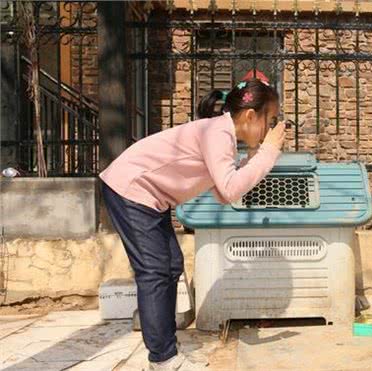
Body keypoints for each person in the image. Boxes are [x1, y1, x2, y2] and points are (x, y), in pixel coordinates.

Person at [99, 78, 286, 370]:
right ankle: (163, 359)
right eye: (270, 120)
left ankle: (165, 352)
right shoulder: (217, 133)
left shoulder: (221, 135)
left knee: (170, 266)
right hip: (131, 189)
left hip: (150, 197)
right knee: (155, 272)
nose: (271, 128)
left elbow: (224, 194)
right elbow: (230, 189)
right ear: (251, 116)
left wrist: (255, 159)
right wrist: (268, 154)